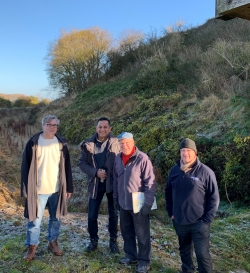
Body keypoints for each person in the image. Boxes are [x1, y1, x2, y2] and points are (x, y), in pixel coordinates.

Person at [20, 115, 74, 261]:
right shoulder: (33, 143)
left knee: (55, 219)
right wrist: (25, 189)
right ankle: (32, 246)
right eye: (49, 124)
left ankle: (53, 242)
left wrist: (68, 187)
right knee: (35, 221)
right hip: (38, 190)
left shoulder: (61, 144)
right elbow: (25, 167)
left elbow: (67, 167)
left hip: (56, 189)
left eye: (55, 125)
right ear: (43, 125)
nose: (52, 127)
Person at [165, 138, 219, 273]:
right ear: (179, 153)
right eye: (183, 151)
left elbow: (214, 197)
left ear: (195, 152)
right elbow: (167, 192)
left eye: (188, 151)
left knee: (202, 254)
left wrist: (207, 219)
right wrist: (171, 212)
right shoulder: (174, 171)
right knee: (184, 251)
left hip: (199, 222)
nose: (185, 154)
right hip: (179, 221)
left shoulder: (205, 172)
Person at [113, 132, 156, 273]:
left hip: (139, 204)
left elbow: (150, 182)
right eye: (121, 143)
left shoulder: (142, 158)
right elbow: (116, 180)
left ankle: (144, 261)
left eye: (127, 142)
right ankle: (130, 255)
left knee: (142, 234)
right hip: (124, 203)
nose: (124, 145)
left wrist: (148, 204)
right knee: (126, 232)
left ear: (132, 142)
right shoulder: (118, 159)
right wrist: (115, 198)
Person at [78, 117, 121, 253]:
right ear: (96, 128)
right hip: (95, 184)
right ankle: (93, 241)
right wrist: (96, 172)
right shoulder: (88, 144)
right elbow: (82, 163)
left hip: (112, 184)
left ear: (110, 129)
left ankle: (113, 242)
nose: (102, 129)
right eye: (100, 127)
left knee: (113, 214)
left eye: (105, 127)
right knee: (91, 215)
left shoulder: (117, 143)